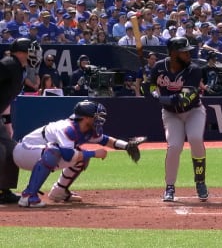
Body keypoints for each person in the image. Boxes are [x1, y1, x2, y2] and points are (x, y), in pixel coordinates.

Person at [13, 100, 141, 207]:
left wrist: (127, 146)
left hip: (39, 154)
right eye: (96, 117)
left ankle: (59, 191)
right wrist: (94, 154)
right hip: (23, 152)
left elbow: (106, 140)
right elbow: (68, 155)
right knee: (55, 152)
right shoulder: (67, 129)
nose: (99, 120)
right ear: (85, 118)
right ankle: (28, 196)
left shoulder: (86, 129)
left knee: (79, 155)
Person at [150, 36, 208, 202]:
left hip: (193, 111)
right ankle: (169, 187)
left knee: (195, 138)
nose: (188, 54)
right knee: (174, 147)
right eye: (184, 52)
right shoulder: (159, 67)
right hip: (171, 114)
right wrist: (152, 91)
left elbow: (183, 99)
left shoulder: (194, 70)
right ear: (174, 53)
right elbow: (151, 86)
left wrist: (159, 98)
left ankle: (200, 181)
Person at [0, 38, 41, 204]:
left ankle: (4, 190)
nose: (34, 54)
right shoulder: (7, 64)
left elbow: (7, 99)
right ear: (22, 51)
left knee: (12, 150)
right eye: (31, 51)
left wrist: (8, 124)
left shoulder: (20, 69)